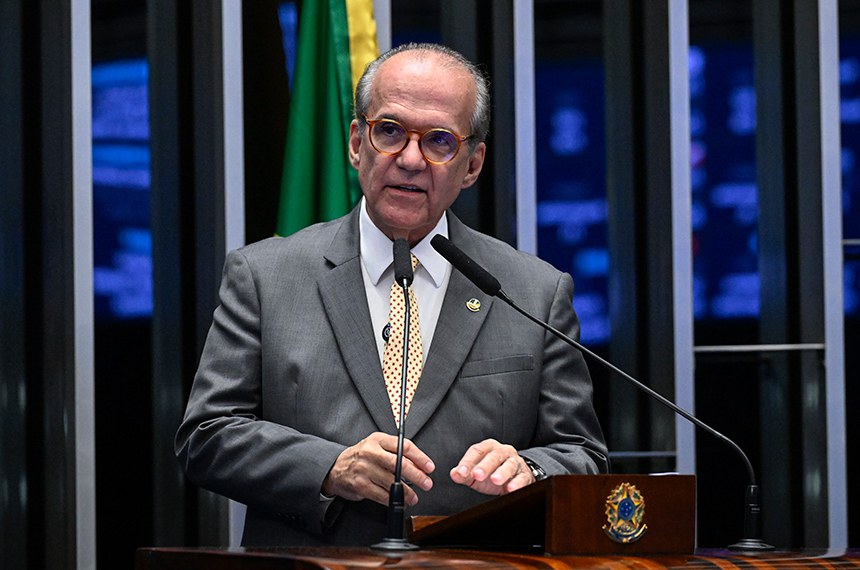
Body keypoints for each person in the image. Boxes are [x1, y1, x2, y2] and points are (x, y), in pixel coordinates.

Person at [175, 42, 608, 547]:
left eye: (439, 141)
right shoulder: (265, 276)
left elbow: (582, 453)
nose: (409, 159)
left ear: (471, 165)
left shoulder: (533, 291)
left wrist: (529, 469)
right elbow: (206, 436)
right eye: (390, 132)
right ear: (357, 142)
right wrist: (328, 467)